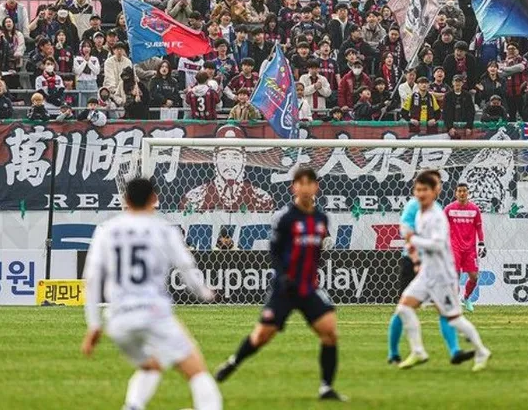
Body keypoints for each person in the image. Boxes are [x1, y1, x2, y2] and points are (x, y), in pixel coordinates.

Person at [81, 177, 222, 410]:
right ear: (154, 199)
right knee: (197, 371)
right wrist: (206, 293)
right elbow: (186, 267)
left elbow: (93, 278)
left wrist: (94, 325)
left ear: (125, 200)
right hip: (154, 314)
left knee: (150, 365)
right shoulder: (163, 230)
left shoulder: (107, 230)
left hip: (118, 321)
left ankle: (133, 406)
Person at [214, 168, 346, 401]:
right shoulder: (285, 218)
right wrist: (284, 276)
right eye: (300, 183)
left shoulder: (321, 218)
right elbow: (274, 252)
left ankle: (326, 388)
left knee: (330, 332)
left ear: (316, 187)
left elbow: (316, 254)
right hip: (284, 288)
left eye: (310, 183)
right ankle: (233, 363)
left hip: (308, 287)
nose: (305, 187)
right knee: (262, 336)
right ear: (293, 187)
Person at [394, 171, 491, 371]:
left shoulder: (437, 216)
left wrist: (413, 239)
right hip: (426, 272)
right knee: (403, 308)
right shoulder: (421, 213)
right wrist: (415, 254)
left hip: (442, 276)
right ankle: (418, 351)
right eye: (417, 189)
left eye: (424, 190)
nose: (420, 194)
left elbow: (437, 244)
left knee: (454, 319)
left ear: (433, 192)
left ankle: (481, 350)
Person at [180, 126, 274, 211]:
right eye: (224, 156)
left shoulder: (261, 198)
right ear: (215, 159)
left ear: (244, 160)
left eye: (235, 157)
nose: (230, 164)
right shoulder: (195, 198)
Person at [444, 182, 485, 311]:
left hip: (470, 249)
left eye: (464, 191)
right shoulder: (449, 209)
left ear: (468, 193)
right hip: (454, 247)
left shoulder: (474, 209)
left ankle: (466, 298)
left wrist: (482, 243)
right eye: (459, 191)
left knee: (474, 276)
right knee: (455, 276)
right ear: (456, 193)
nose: (462, 193)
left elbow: (479, 227)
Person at [73, 39, 100, 107]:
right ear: (81, 48)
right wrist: (85, 61)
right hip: (81, 83)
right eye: (84, 46)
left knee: (93, 104)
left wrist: (89, 62)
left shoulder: (95, 59)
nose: (86, 48)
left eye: (88, 46)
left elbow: (97, 71)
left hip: (92, 83)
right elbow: (77, 71)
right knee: (82, 105)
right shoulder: (77, 59)